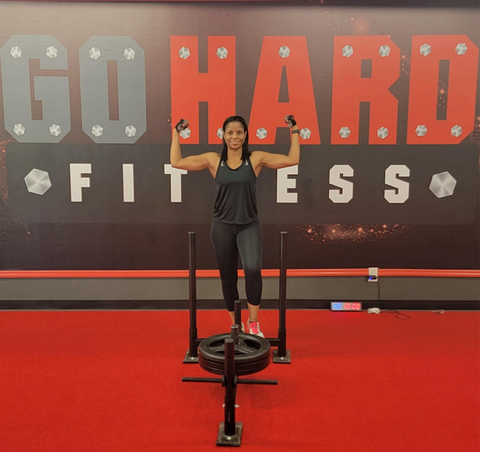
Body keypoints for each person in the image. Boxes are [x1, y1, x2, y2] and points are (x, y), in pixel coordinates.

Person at [170, 115, 300, 337]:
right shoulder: (214, 160)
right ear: (224, 135)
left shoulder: (255, 158)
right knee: (228, 277)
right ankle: (235, 325)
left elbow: (292, 159)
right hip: (221, 226)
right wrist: (176, 133)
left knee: (252, 271)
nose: (234, 136)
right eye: (230, 132)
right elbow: (177, 162)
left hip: (248, 225)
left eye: (239, 132)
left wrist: (295, 131)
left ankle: (253, 323)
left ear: (245, 134)